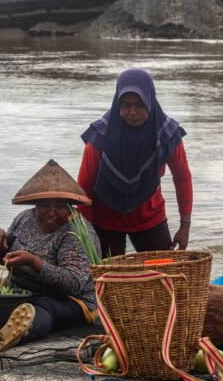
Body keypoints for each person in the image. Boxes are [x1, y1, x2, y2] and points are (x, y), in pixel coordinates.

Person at [77, 68, 192, 257]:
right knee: (107, 274)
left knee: (163, 271)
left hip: (149, 217)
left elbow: (182, 178)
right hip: (104, 219)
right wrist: (86, 232)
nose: (132, 112)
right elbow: (84, 188)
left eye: (139, 105)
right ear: (117, 103)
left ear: (150, 101)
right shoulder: (100, 135)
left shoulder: (167, 134)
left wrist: (184, 226)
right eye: (126, 105)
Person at [0, 159, 100, 352]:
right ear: (36, 206)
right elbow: (6, 257)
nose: (52, 212)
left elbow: (74, 283)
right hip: (26, 292)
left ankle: (22, 331)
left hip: (71, 301)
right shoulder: (25, 218)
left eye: (60, 206)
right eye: (45, 205)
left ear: (70, 207)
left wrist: (34, 262)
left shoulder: (77, 231)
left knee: (43, 307)